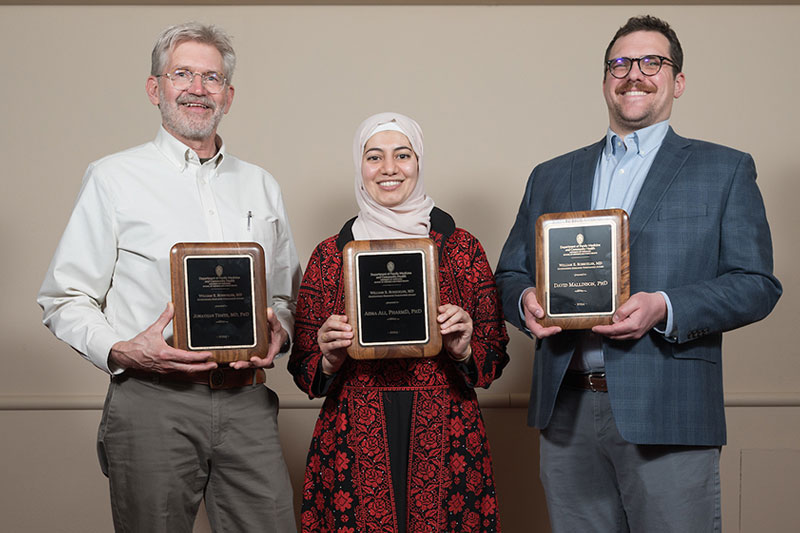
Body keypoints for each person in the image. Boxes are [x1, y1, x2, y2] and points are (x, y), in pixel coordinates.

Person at [495, 15, 782, 533]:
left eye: (653, 62)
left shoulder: (724, 169)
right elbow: (510, 272)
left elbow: (757, 283)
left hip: (669, 410)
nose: (635, 74)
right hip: (567, 411)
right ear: (605, 78)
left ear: (678, 81)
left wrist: (664, 307)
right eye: (621, 63)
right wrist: (525, 303)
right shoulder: (551, 174)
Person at [37, 22, 300, 532]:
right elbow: (64, 297)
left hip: (246, 399)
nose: (198, 89)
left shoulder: (261, 185)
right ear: (155, 88)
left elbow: (285, 295)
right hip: (152, 401)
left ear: (228, 94)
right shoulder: (113, 178)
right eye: (183, 74)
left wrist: (281, 330)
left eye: (212, 78)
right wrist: (122, 349)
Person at [288, 112, 509, 532]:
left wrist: (465, 348)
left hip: (447, 433)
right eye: (374, 157)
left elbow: (494, 356)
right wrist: (328, 358)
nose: (389, 168)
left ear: (419, 162)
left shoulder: (462, 249)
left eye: (402, 154)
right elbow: (302, 368)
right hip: (352, 435)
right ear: (360, 166)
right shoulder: (328, 258)